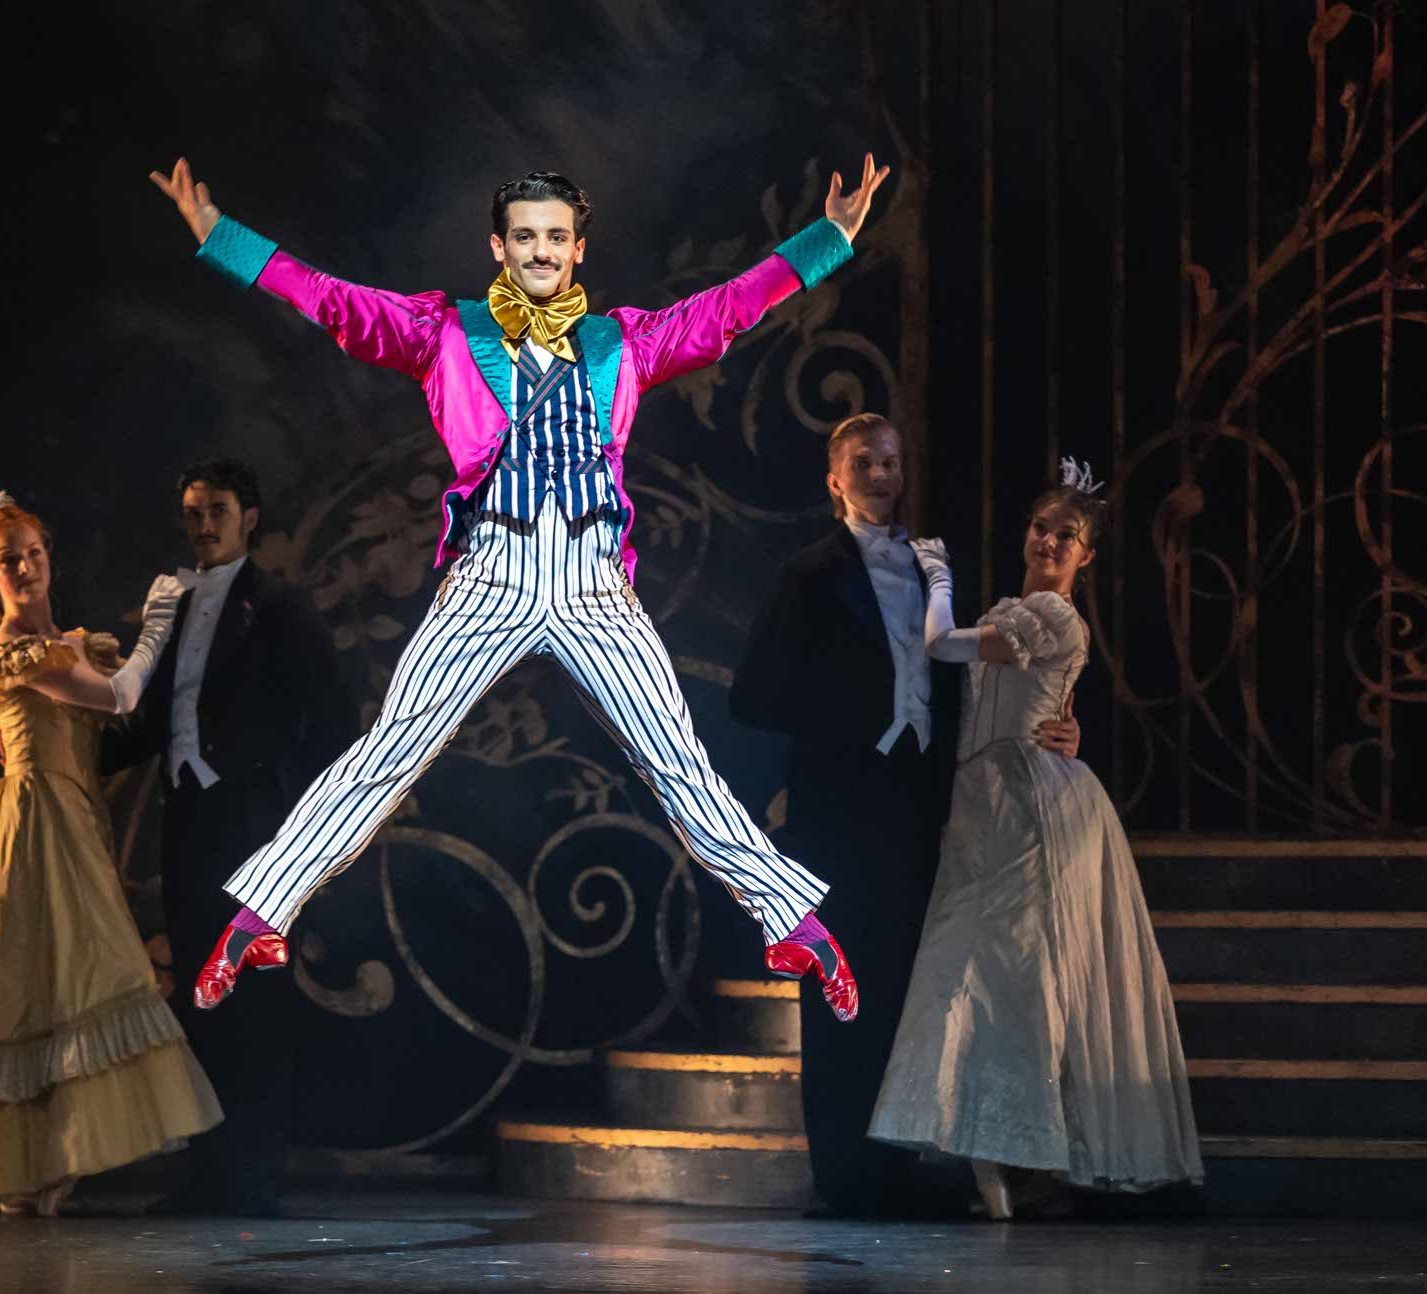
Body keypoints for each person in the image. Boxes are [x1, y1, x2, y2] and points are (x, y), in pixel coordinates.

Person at [146, 158, 894, 1021]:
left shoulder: (621, 343)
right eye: (526, 237)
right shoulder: (446, 334)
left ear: (579, 250)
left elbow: (729, 308)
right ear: (498, 247)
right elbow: (331, 301)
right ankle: (261, 913)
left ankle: (792, 922)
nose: (542, 251)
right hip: (491, 575)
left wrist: (829, 237)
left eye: (557, 238)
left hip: (591, 581)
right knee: (391, 749)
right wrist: (222, 238)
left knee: (678, 759)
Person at [732, 413, 1078, 1216]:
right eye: (864, 463)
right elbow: (751, 696)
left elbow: (993, 676)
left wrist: (1063, 721)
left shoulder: (936, 569)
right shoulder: (807, 574)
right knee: (841, 988)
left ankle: (896, 1164)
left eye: (891, 461)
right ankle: (844, 1177)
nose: (882, 475)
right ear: (835, 481)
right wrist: (854, 713)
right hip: (838, 809)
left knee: (909, 987)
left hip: (924, 804)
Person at [868, 460, 1204, 1219]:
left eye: (1067, 535)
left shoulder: (1051, 615)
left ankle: (1024, 1158)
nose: (1049, 541)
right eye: (1041, 527)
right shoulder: (1019, 612)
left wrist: (937, 578)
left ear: (1088, 555)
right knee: (982, 971)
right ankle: (1001, 1155)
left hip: (1026, 802)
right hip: (985, 800)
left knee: (1015, 976)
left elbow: (942, 646)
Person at [0, 492, 221, 1216]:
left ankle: (48, 1161)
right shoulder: (14, 651)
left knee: (67, 983)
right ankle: (22, 1170)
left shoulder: (69, 644)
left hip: (71, 819)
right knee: (29, 983)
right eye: (10, 560)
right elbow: (119, 697)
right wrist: (159, 620)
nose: (26, 567)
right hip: (29, 826)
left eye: (34, 553)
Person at [101, 458, 355, 1216]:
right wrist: (64, 757)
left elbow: (333, 721)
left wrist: (291, 813)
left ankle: (255, 1179)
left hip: (258, 827)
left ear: (249, 518)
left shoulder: (280, 607)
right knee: (200, 993)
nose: (203, 524)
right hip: (189, 820)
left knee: (256, 998)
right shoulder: (172, 607)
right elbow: (150, 722)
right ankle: (209, 1175)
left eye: (216, 510)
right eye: (192, 511)